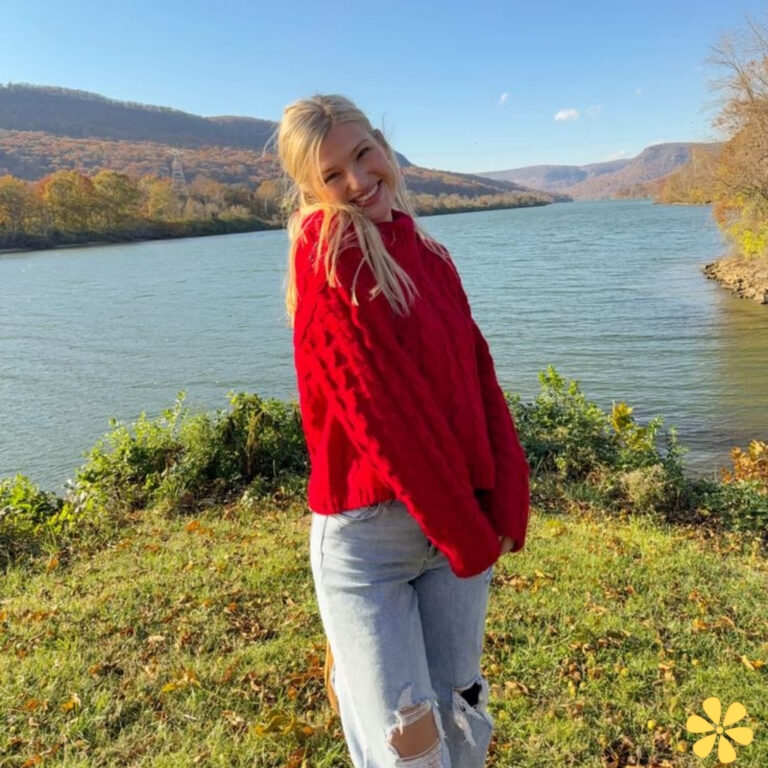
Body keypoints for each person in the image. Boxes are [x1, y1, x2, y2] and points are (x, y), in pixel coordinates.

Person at [278, 93, 530, 768]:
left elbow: (479, 376)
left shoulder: (432, 256)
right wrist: (466, 531)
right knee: (411, 748)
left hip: (455, 530)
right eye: (333, 175)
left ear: (385, 148)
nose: (359, 181)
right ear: (312, 189)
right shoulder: (326, 256)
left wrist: (507, 494)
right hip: (372, 546)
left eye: (364, 155)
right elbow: (382, 415)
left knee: (462, 720)